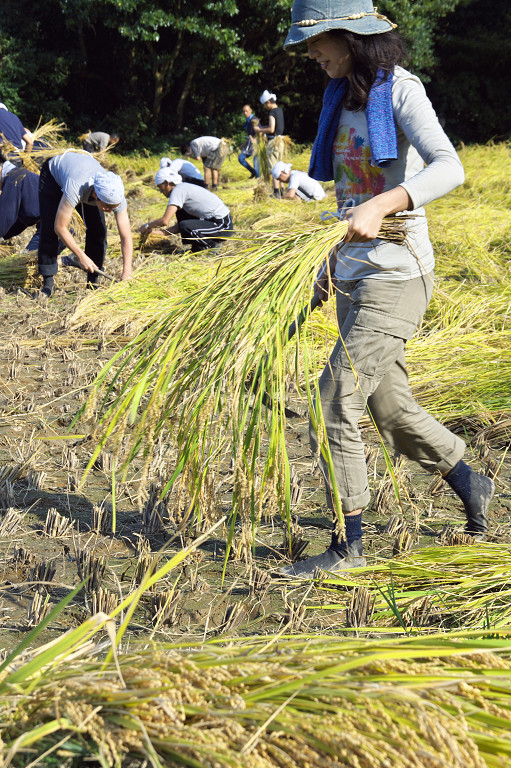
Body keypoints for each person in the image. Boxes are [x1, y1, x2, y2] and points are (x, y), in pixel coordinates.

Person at [278, 0, 494, 579]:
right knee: (389, 406)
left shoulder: (400, 91)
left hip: (398, 273)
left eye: (316, 42)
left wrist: (386, 200)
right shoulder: (339, 98)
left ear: (348, 37)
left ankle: (349, 545)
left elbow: (450, 167)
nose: (309, 54)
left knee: (333, 396)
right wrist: (327, 262)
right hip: (353, 271)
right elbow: (349, 201)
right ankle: (471, 479)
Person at [37, 150, 133, 297]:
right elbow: (60, 227)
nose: (109, 211)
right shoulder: (76, 185)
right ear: (95, 195)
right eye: (106, 206)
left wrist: (127, 273)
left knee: (98, 231)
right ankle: (48, 282)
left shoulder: (116, 196)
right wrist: (81, 255)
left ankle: (92, 282)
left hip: (83, 172)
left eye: (113, 208)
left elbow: (126, 236)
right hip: (53, 177)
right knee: (49, 228)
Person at [138, 167, 233, 253]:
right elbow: (180, 225)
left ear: (167, 183)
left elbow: (165, 221)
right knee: (182, 216)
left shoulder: (178, 191)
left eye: (160, 187)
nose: (160, 191)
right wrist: (158, 234)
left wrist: (146, 226)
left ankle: (211, 246)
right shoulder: (182, 188)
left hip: (222, 225)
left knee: (186, 225)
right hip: (213, 222)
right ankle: (198, 248)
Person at [253, 90, 285, 197]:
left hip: (274, 142)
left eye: (264, 105)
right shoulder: (279, 110)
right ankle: (282, 190)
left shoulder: (272, 112)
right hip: (281, 141)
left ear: (268, 102)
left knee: (274, 167)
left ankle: (276, 192)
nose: (264, 107)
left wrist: (259, 130)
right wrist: (262, 127)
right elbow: (275, 127)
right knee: (280, 166)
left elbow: (271, 129)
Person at [238, 105, 258, 179]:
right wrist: (244, 144)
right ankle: (253, 172)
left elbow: (260, 131)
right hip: (250, 144)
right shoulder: (248, 120)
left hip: (257, 144)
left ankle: (258, 178)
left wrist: (255, 139)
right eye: (244, 112)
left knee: (256, 161)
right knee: (241, 158)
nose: (245, 113)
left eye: (247, 111)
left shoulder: (254, 119)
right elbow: (250, 135)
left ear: (251, 110)